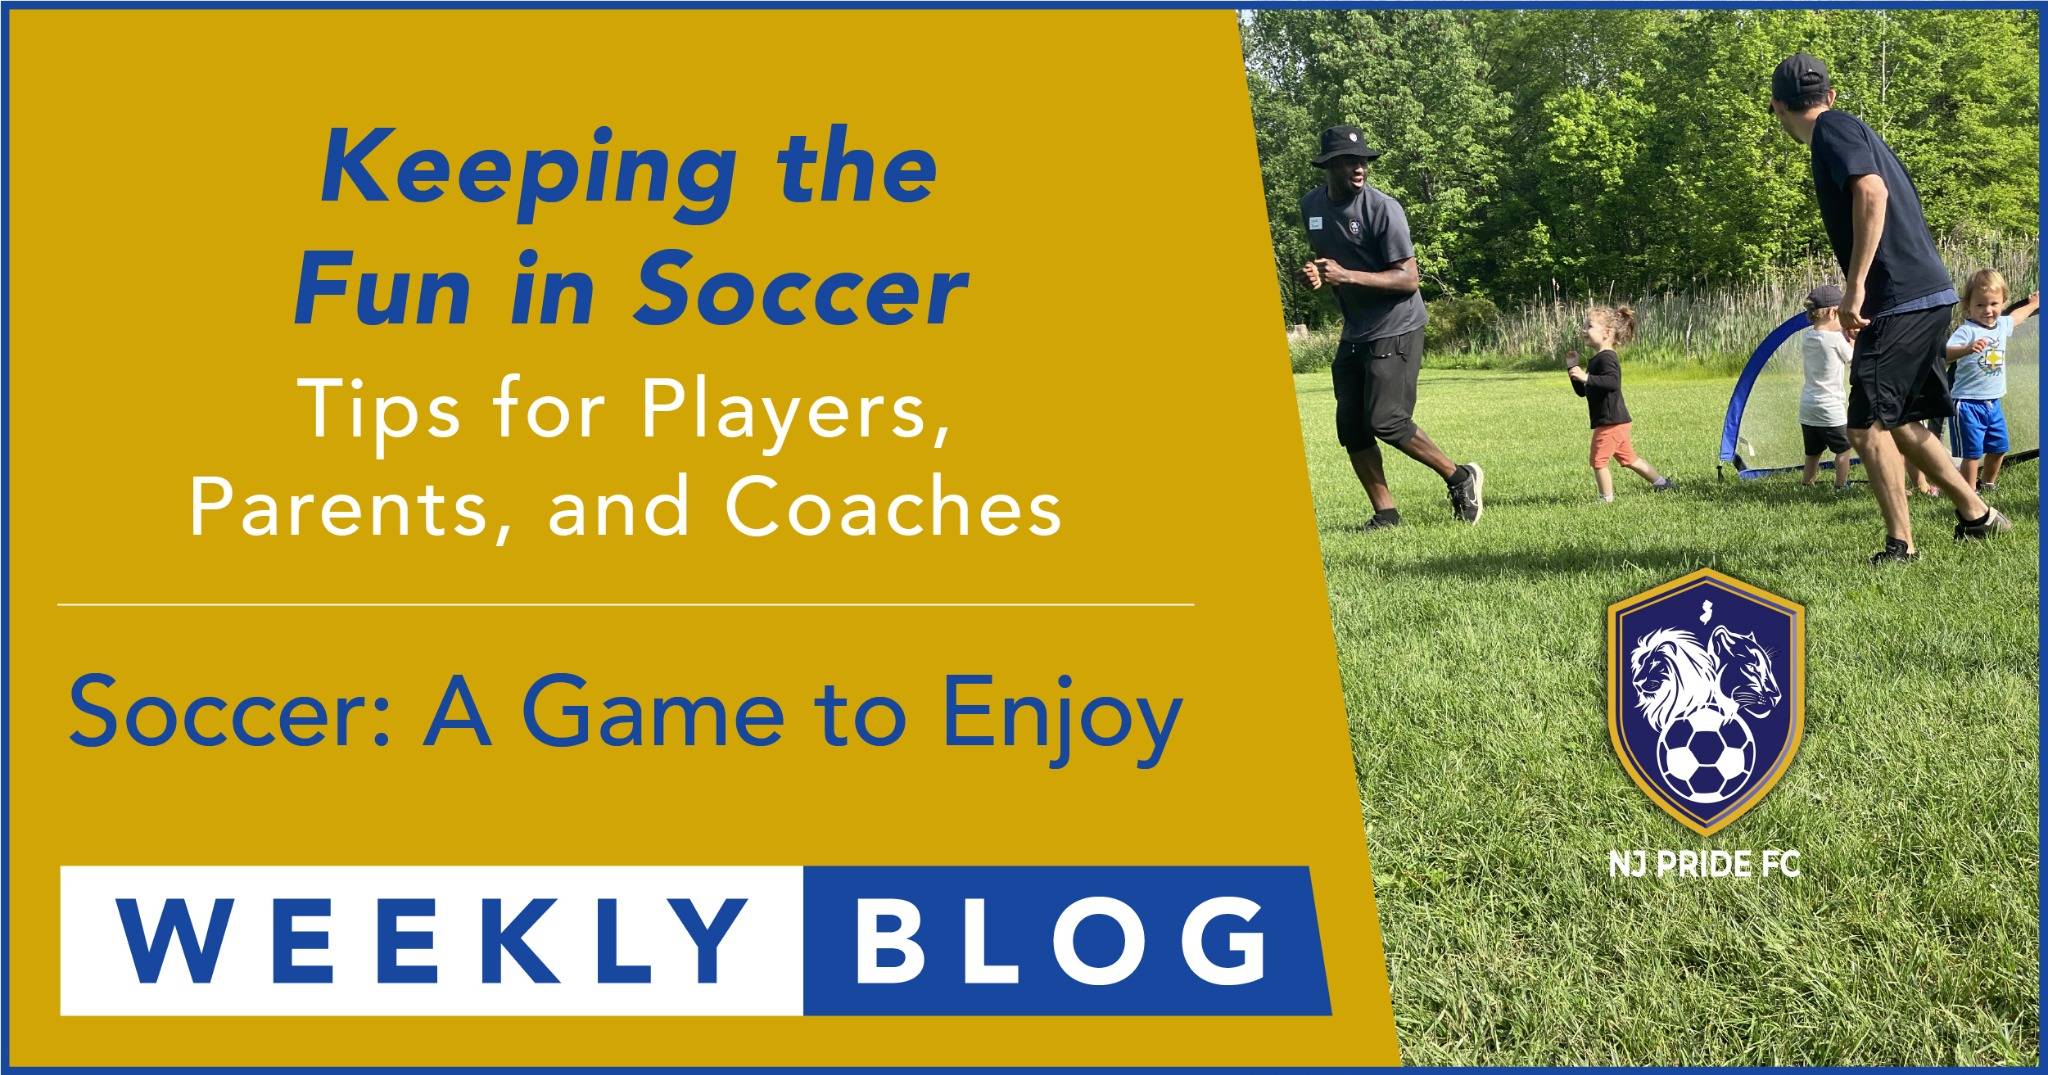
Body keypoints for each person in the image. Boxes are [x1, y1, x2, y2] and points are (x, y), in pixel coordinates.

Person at [1768, 53, 2008, 564]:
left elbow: (1871, 194)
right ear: (1828, 94)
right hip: (1926, 293)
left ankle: (1901, 545)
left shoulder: (1831, 132)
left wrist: (1855, 289)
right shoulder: (1849, 126)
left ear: (1777, 107)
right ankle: (1977, 514)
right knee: (1898, 419)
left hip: (1902, 297)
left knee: (1864, 426)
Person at [1297, 124, 1484, 529]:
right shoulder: (1311, 206)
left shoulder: (1383, 209)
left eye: (1362, 160)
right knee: (1351, 425)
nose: (1359, 167)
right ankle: (1386, 513)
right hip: (1355, 330)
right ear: (1328, 166)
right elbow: (1329, 262)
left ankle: (1460, 477)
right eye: (1349, 161)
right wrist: (1314, 274)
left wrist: (1347, 276)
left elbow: (1408, 279)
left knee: (1387, 420)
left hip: (1396, 324)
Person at [1945, 269, 2038, 495]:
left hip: (1993, 403)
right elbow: (1945, 354)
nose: (1988, 310)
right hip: (1967, 404)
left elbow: (2016, 317)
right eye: (1980, 305)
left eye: (1994, 304)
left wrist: (2034, 304)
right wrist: (1966, 350)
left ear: (2003, 302)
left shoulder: (2002, 325)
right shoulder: (1967, 331)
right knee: (1973, 454)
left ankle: (1988, 485)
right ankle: (1969, 493)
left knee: (1999, 448)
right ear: (1968, 305)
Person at [1567, 305, 1675, 501]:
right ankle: (1662, 484)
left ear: (1607, 333)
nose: (1584, 329)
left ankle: (1606, 499)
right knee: (1630, 459)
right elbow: (1583, 392)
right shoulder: (1596, 360)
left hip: (1611, 422)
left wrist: (1586, 377)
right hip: (1614, 421)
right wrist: (1573, 371)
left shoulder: (1608, 358)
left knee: (1598, 461)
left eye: (1589, 326)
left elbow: (1612, 382)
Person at [1797, 283, 1855, 493]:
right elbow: (1852, 360)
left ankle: (1807, 484)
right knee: (1844, 449)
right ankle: (1841, 486)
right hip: (1830, 408)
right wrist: (1853, 341)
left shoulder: (1807, 337)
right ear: (1832, 312)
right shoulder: (1835, 339)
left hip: (1808, 407)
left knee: (1813, 452)